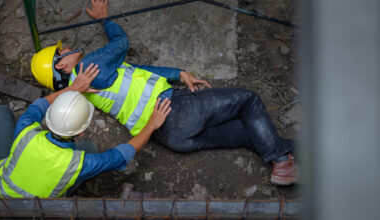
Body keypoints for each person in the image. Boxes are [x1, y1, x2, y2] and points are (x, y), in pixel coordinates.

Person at [30, 0, 296, 185]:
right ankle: (282, 163)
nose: (67, 49)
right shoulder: (89, 67)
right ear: (62, 65)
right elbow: (121, 42)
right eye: (62, 51)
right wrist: (104, 19)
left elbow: (136, 70)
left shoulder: (85, 90)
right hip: (176, 111)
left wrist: (179, 74)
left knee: (248, 134)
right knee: (248, 101)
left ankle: (300, 152)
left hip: (171, 137)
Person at [0, 63, 172, 197]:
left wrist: (73, 88)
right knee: (89, 147)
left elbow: (38, 105)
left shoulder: (26, 131)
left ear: (48, 118)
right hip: (38, 211)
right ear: (80, 132)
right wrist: (151, 125)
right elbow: (120, 156)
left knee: (1, 111)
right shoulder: (77, 164)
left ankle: (7, 167)